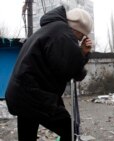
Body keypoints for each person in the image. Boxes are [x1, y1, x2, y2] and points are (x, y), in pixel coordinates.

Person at [5, 5, 93, 141]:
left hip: (20, 93)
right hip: (33, 95)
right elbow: (74, 72)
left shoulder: (50, 29)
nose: (80, 39)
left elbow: (59, 65)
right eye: (81, 35)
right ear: (77, 29)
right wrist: (83, 53)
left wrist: (79, 53)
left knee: (27, 136)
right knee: (68, 128)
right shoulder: (63, 34)